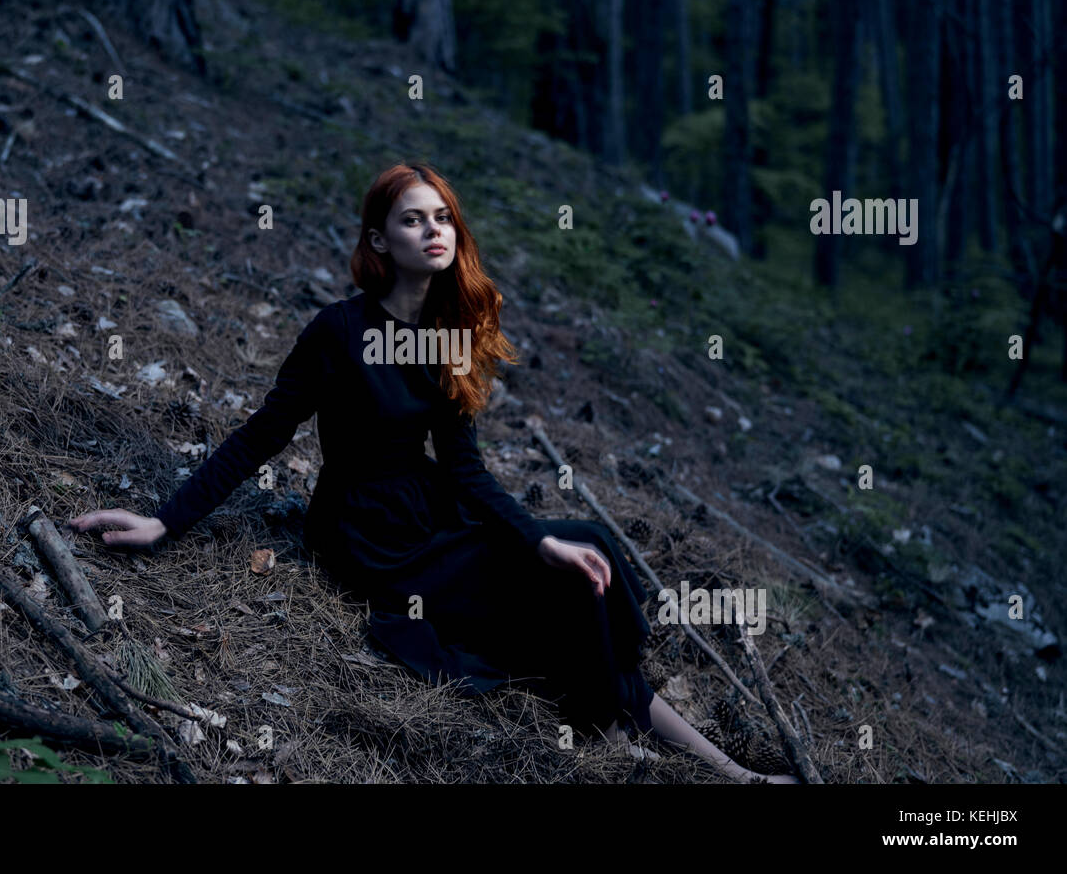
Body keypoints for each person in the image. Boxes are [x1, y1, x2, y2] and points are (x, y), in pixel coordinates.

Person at [70, 162, 799, 783]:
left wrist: (536, 538)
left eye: (443, 216)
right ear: (379, 240)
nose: (434, 229)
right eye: (413, 219)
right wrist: (165, 519)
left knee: (579, 547)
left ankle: (716, 764)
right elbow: (261, 434)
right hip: (365, 532)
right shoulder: (337, 332)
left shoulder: (450, 336)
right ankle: (660, 745)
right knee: (564, 584)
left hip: (432, 508)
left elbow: (465, 468)